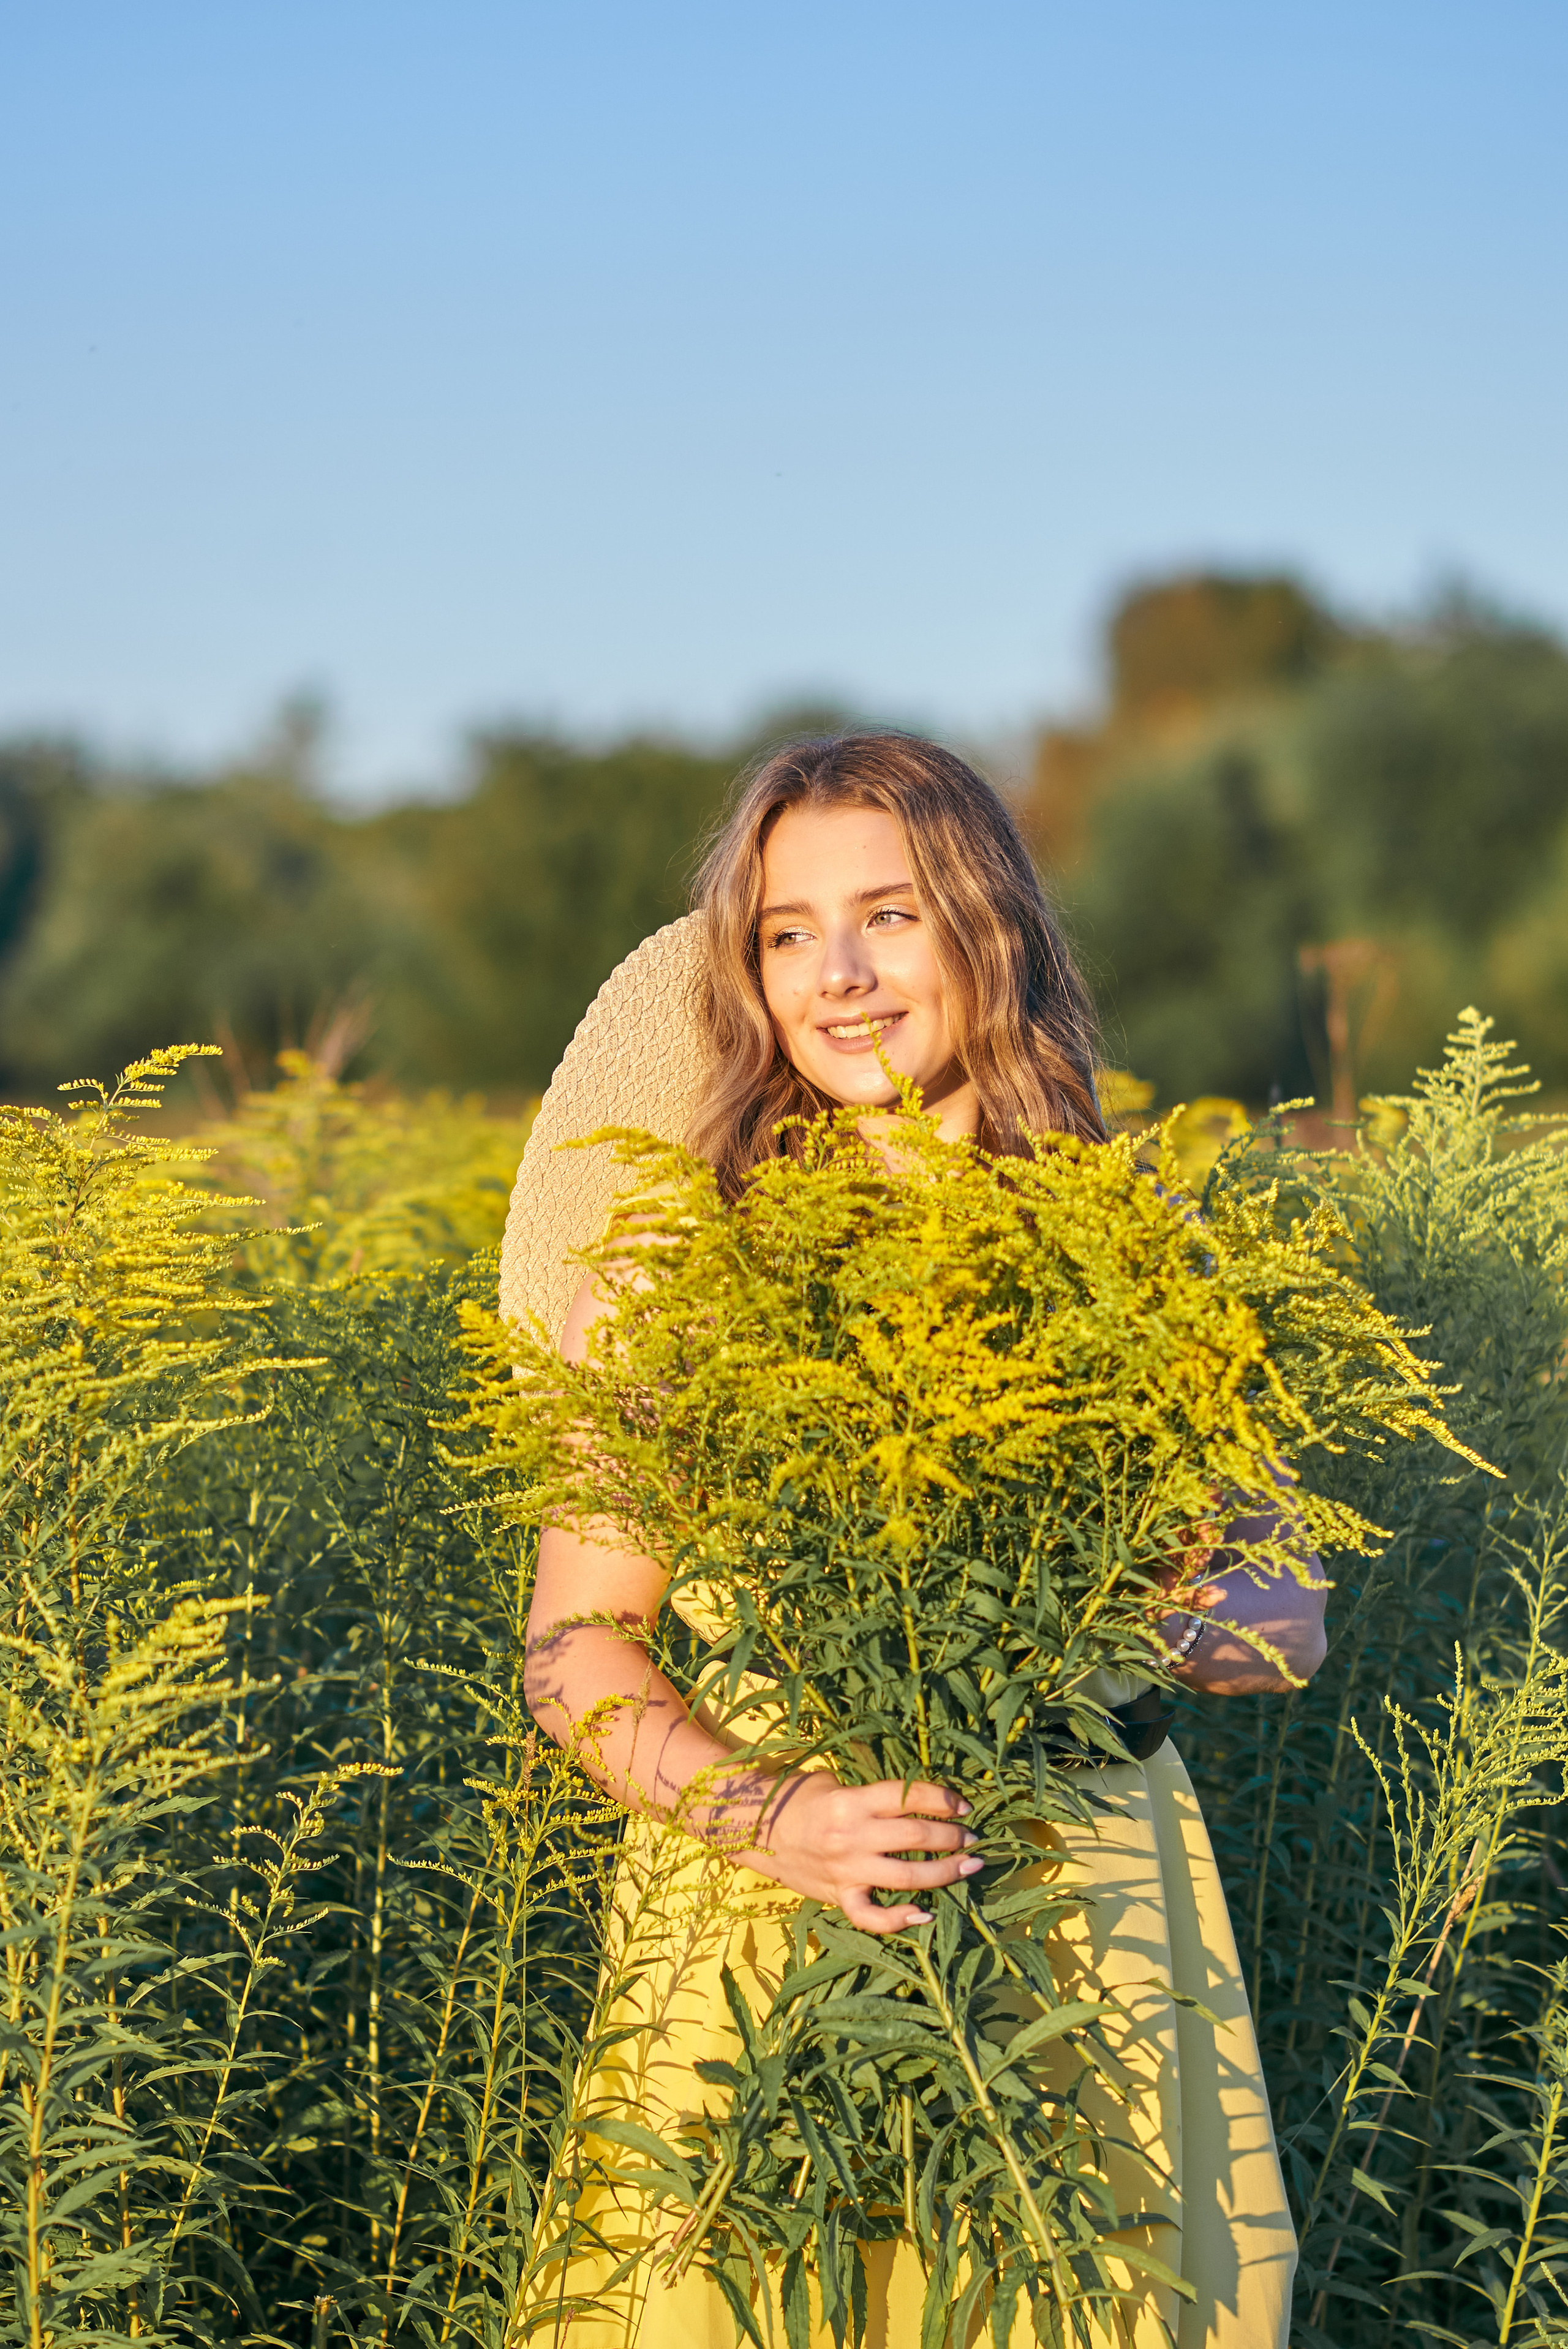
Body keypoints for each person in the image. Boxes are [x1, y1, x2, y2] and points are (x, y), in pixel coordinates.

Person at [501, 731, 1326, 2348]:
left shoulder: (1138, 1246)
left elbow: (1287, 1609)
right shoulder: (671, 1270)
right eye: (789, 931)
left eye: (890, 915)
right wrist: (782, 1815)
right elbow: (571, 1646)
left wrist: (1081, 1618)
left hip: (1086, 1905)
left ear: (987, 930)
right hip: (760, 1903)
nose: (842, 976)